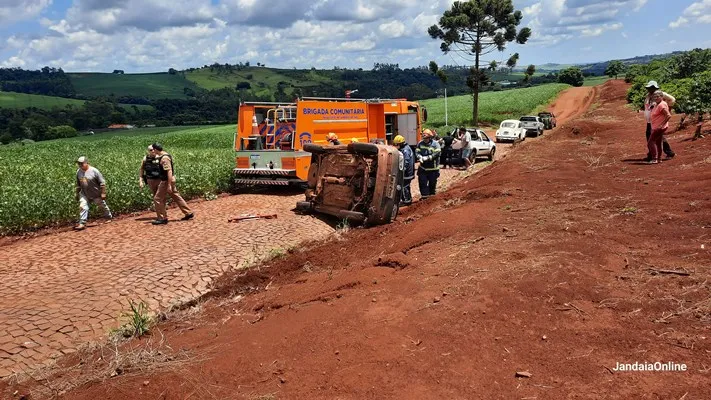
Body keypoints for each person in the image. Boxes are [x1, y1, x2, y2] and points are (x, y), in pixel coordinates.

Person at [149, 143, 193, 225]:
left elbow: (169, 171)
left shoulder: (164, 158)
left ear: (156, 149)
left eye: (153, 149)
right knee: (176, 196)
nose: (152, 151)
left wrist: (168, 184)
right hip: (169, 180)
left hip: (166, 181)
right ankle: (188, 212)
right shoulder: (164, 156)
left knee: (157, 198)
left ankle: (162, 218)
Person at [74, 156, 112, 230]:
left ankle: (108, 217)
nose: (80, 165)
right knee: (83, 206)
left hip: (95, 193)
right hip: (84, 193)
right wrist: (77, 194)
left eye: (81, 163)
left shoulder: (94, 171)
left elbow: (102, 183)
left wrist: (103, 193)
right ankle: (82, 223)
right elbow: (78, 185)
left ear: (86, 162)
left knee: (101, 205)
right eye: (79, 164)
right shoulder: (78, 172)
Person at [643, 81, 675, 160]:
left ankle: (656, 155)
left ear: (655, 88)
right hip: (650, 121)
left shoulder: (660, 94)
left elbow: (672, 99)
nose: (650, 89)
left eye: (652, 88)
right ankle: (656, 153)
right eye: (649, 88)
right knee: (655, 137)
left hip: (657, 121)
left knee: (653, 138)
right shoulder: (648, 95)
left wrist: (667, 110)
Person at [415, 129, 441, 199]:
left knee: (432, 185)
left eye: (426, 138)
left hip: (433, 169)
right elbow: (417, 151)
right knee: (422, 183)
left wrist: (428, 157)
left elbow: (437, 153)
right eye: (424, 138)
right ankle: (424, 197)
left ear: (430, 138)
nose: (425, 140)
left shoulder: (435, 144)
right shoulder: (420, 143)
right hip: (423, 168)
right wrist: (419, 156)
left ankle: (431, 199)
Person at [647, 90, 672, 164]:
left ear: (661, 97)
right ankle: (659, 159)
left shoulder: (662, 105)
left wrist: (661, 125)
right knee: (658, 142)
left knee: (650, 142)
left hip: (659, 127)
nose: (656, 98)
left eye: (658, 96)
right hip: (656, 126)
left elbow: (668, 115)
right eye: (654, 96)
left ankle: (654, 158)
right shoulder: (657, 104)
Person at [393, 135, 414, 205]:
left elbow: (406, 162)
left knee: (404, 186)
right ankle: (407, 199)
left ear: (401, 144)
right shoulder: (405, 149)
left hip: (407, 173)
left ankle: (406, 201)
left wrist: (401, 171)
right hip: (407, 172)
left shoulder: (405, 151)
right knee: (405, 186)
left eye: (396, 144)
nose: (395, 146)